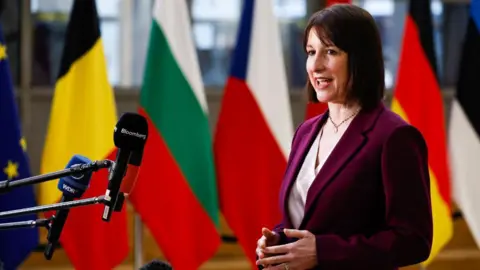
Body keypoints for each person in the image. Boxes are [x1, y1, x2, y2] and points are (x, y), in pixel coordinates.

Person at [255, 4, 432, 270]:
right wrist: (279, 242)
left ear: (361, 59)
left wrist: (322, 252)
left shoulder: (394, 137)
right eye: (311, 52)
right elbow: (310, 220)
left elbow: (414, 240)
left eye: (330, 52)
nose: (315, 65)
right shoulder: (306, 132)